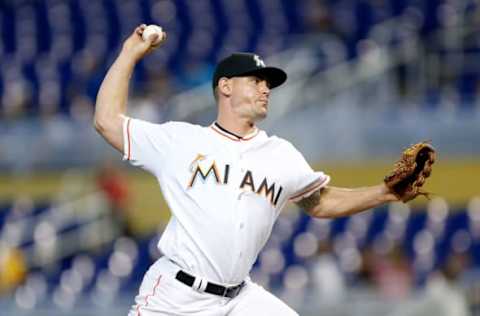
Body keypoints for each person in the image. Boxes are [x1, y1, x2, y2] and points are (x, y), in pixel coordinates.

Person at [94, 24, 405, 316]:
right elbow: (107, 121)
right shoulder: (181, 140)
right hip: (176, 295)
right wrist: (129, 54)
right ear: (226, 86)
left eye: (268, 84)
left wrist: (386, 192)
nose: (266, 89)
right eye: (256, 81)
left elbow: (321, 202)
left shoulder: (281, 154)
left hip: (239, 299)